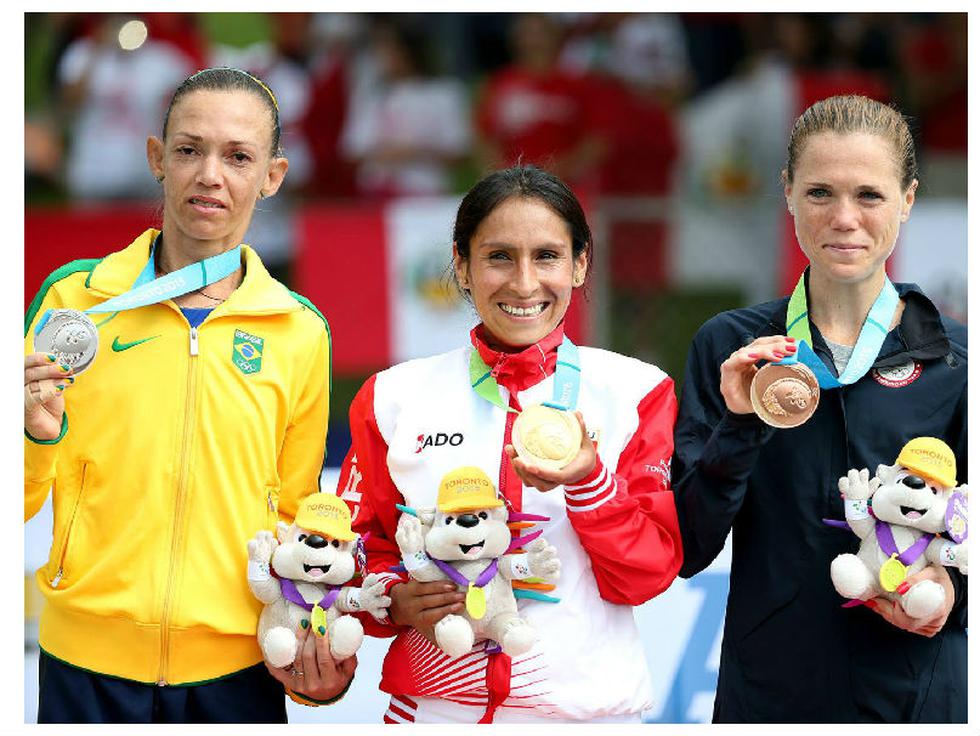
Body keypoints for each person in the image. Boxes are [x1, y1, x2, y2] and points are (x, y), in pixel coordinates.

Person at [24, 67, 348, 723]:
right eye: (189, 150)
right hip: (86, 666)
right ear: (156, 159)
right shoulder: (76, 302)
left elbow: (297, 517)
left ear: (272, 176)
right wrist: (33, 436)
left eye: (238, 157)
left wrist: (314, 643)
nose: (210, 174)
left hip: (235, 672)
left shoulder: (299, 331)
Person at [335, 164, 683, 723]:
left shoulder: (635, 391)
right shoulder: (393, 397)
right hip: (434, 711)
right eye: (499, 256)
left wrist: (589, 487)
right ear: (462, 265)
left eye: (546, 256)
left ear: (580, 264)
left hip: (586, 716)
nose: (524, 283)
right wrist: (395, 598)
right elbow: (356, 550)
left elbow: (645, 575)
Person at [672, 95, 967, 722]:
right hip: (772, 694)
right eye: (819, 193)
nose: (843, 218)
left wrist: (955, 591)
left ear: (908, 199)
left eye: (869, 195)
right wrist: (742, 420)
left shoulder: (956, 360)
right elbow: (690, 546)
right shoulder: (731, 348)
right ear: (786, 194)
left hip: (920, 694)